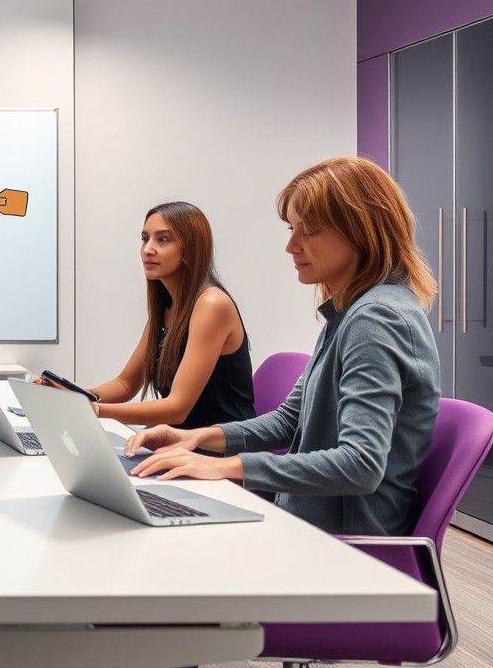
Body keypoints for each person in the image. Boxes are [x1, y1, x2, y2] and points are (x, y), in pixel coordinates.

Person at [127, 157, 440, 536]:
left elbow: (360, 464)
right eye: (292, 229)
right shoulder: (351, 311)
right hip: (304, 517)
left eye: (309, 232)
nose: (291, 246)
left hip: (342, 541)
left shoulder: (376, 318)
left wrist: (228, 465)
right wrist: (197, 437)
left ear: (360, 230)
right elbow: (289, 421)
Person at [38, 201, 255, 429]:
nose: (147, 249)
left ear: (191, 249)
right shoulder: (167, 311)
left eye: (163, 239)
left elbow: (177, 409)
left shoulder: (212, 304)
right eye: (145, 238)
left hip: (220, 454)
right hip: (178, 445)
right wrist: (72, 396)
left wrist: (93, 410)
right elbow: (126, 384)